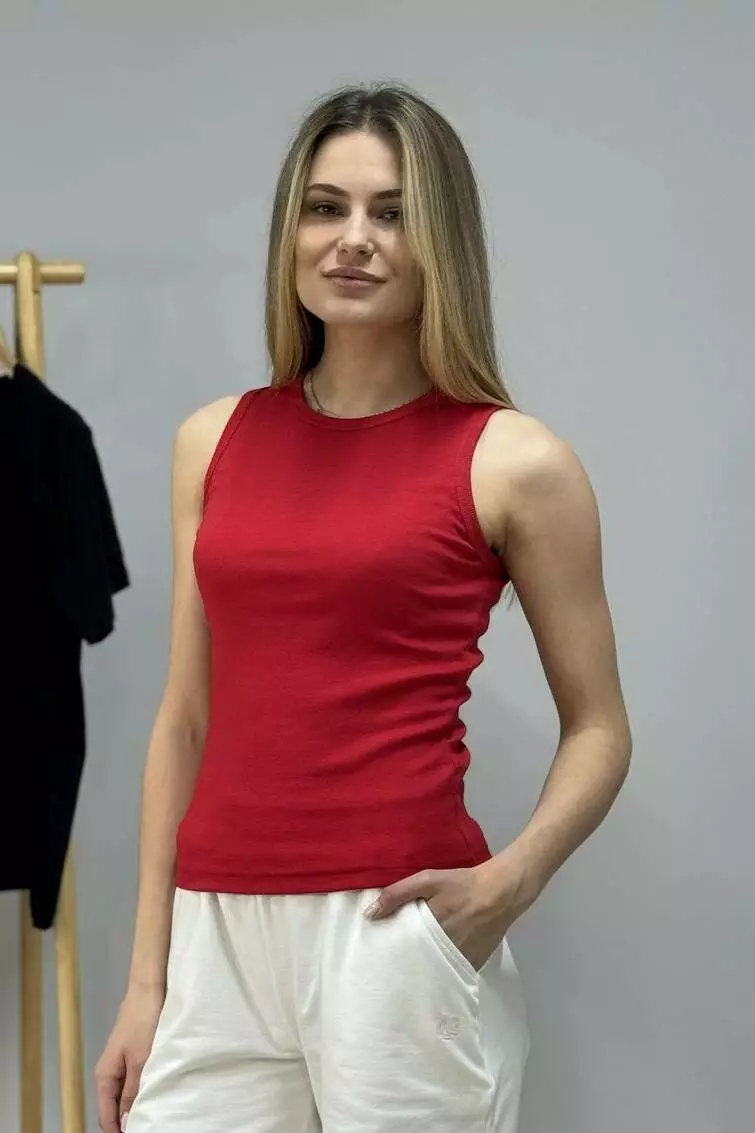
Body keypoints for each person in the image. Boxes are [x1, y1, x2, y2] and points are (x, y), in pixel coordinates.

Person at [95, 83, 632, 1133]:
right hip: (214, 930)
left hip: (393, 932)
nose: (353, 239)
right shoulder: (214, 440)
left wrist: (508, 883)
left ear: (440, 242)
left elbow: (600, 727)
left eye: (391, 212)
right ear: (289, 231)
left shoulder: (513, 460)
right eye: (323, 207)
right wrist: (146, 980)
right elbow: (185, 719)